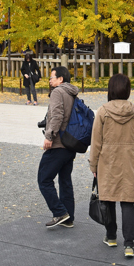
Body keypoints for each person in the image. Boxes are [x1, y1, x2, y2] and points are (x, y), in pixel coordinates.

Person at [90, 73, 134, 259]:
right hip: (130, 162)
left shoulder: (103, 111)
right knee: (128, 202)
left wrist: (93, 165)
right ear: (127, 90)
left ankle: (111, 236)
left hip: (108, 161)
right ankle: (129, 245)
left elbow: (96, 142)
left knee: (108, 199)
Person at [38, 65, 79, 228]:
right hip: (71, 143)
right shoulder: (72, 92)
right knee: (65, 180)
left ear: (60, 79)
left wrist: (49, 136)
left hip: (58, 143)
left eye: (52, 77)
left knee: (44, 179)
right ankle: (68, 217)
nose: (50, 80)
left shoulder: (58, 92)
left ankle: (60, 212)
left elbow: (57, 115)